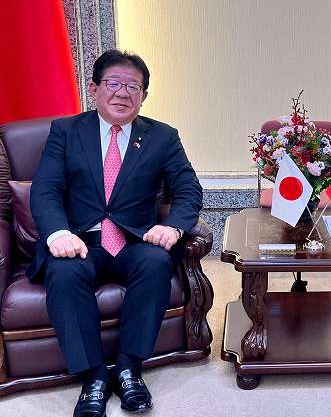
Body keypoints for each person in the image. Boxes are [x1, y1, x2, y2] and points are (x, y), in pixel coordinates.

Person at [29, 49, 203, 417]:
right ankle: (93, 376)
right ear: (94, 89)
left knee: (156, 263)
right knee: (63, 273)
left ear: (144, 95)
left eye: (133, 87)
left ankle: (129, 368)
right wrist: (58, 233)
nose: (123, 93)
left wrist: (173, 226)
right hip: (81, 241)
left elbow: (188, 188)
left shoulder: (162, 137)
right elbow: (45, 189)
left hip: (134, 241)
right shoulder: (65, 131)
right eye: (113, 83)